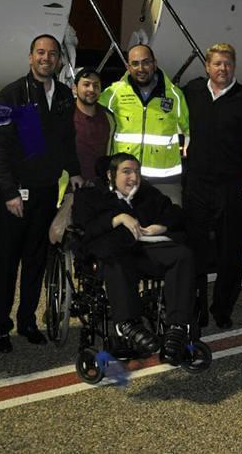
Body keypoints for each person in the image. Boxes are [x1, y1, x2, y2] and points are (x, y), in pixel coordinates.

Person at [0, 34, 81, 353]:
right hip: (14, 197)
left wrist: (76, 171)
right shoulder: (10, 95)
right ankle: (1, 327)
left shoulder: (66, 96)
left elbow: (67, 141)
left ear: (58, 60)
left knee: (35, 261)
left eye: (52, 54)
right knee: (7, 264)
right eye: (40, 52)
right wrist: (9, 191)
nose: (46, 58)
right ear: (30, 58)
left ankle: (27, 321)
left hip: (45, 194)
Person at [70, 153, 195, 365]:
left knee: (182, 255)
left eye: (136, 172)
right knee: (115, 258)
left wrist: (162, 225)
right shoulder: (90, 196)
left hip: (144, 252)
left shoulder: (147, 194)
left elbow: (175, 213)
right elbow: (84, 229)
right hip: (110, 257)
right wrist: (117, 219)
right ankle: (127, 324)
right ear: (110, 175)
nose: (133, 177)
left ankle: (177, 327)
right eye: (126, 172)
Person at [183, 43, 242, 329]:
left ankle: (222, 308)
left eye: (228, 63)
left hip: (233, 189)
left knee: (230, 254)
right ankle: (196, 309)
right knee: (194, 252)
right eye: (217, 63)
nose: (223, 68)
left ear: (234, 66)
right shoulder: (192, 92)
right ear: (207, 66)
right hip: (196, 186)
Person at [99, 44, 189, 204]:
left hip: (164, 181)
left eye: (146, 62)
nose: (141, 68)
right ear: (128, 66)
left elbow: (191, 131)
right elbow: (88, 111)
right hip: (125, 179)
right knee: (126, 226)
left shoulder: (174, 95)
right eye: (135, 63)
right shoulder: (114, 93)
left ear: (155, 63)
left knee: (168, 225)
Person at [71, 68, 115, 185]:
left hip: (100, 188)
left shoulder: (109, 118)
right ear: (75, 88)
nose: (91, 89)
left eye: (96, 86)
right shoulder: (65, 116)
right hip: (70, 190)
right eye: (86, 85)